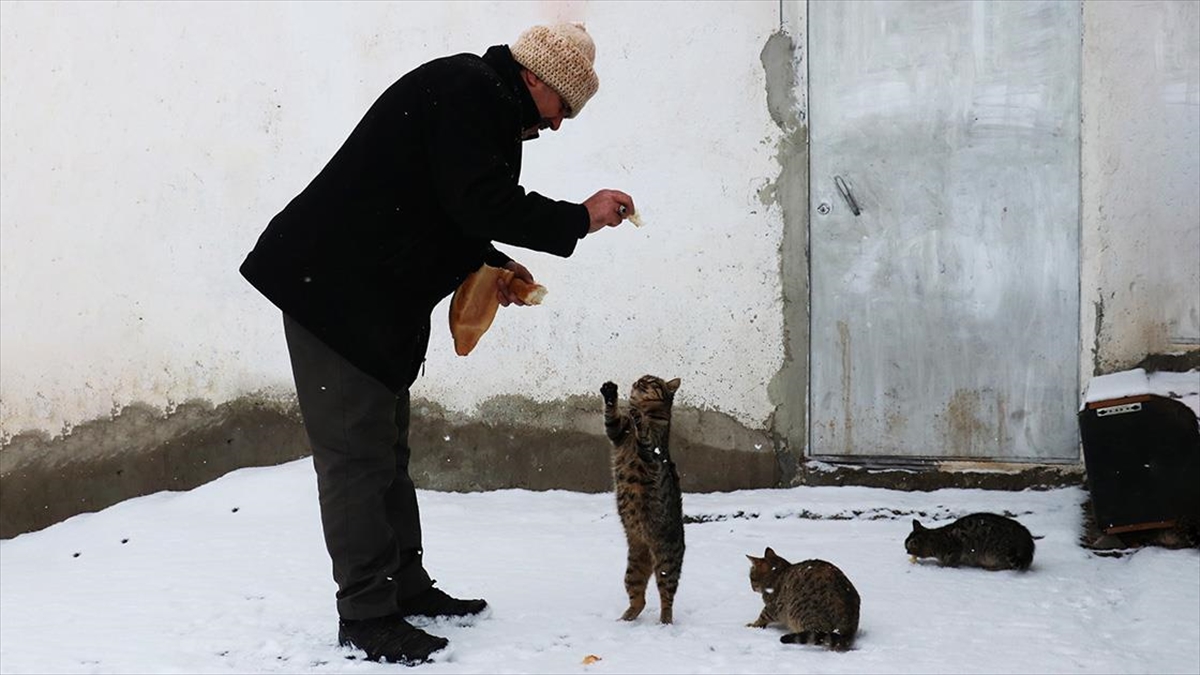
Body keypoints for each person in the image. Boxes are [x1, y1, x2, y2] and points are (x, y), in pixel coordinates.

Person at [239, 22, 634, 665]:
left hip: (370, 299)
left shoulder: (482, 102)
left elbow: (448, 207)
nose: (562, 124)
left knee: (386, 453)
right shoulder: (467, 91)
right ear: (539, 78)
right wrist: (578, 217)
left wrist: (492, 266)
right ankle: (366, 615)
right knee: (355, 463)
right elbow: (482, 201)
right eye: (565, 106)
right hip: (333, 295)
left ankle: (404, 587)